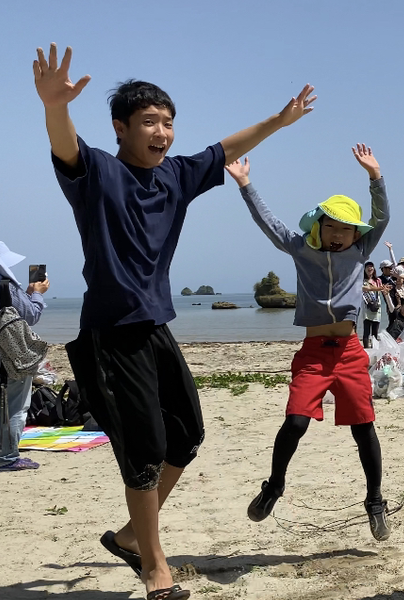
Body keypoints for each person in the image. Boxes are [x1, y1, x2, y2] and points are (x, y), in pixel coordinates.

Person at [38, 41, 315, 599]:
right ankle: (154, 567)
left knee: (186, 435)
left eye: (168, 122)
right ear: (120, 128)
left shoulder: (177, 176)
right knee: (142, 451)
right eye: (148, 122)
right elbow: (65, 145)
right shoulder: (97, 173)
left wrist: (279, 121)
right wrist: (54, 105)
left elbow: (223, 148)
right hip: (111, 335)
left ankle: (129, 536)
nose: (162, 132)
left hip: (157, 327)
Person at [225, 145, 392, 544]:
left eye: (346, 229)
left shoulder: (361, 251)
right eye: (331, 227)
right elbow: (271, 224)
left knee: (364, 427)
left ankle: (374, 500)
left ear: (356, 234)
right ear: (319, 226)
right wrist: (246, 185)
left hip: (350, 353)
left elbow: (382, 217)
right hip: (314, 355)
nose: (338, 236)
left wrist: (376, 178)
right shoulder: (301, 249)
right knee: (296, 422)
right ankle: (274, 486)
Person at [0, 242, 48, 472]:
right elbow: (30, 315)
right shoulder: (6, 286)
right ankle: (8, 457)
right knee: (16, 406)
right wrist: (36, 295)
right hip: (9, 355)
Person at [361, 262, 388, 348]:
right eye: (368, 268)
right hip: (367, 307)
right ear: (364, 270)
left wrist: (386, 289)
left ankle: (375, 349)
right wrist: (379, 288)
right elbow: (366, 288)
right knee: (366, 330)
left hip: (377, 306)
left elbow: (382, 291)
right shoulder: (362, 280)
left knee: (375, 331)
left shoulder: (378, 280)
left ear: (374, 269)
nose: (370, 269)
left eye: (371, 268)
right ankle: (366, 349)